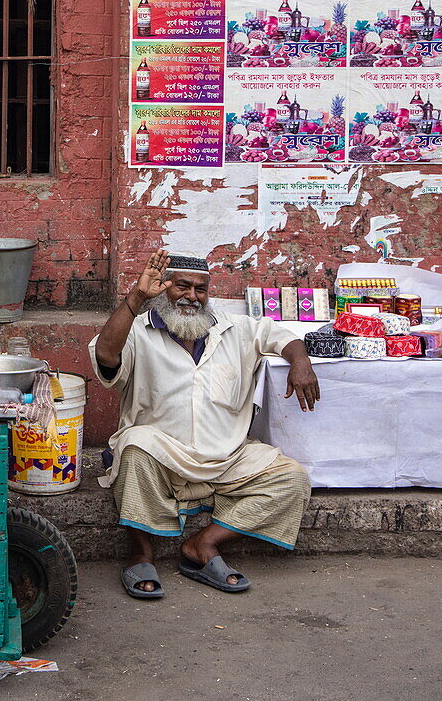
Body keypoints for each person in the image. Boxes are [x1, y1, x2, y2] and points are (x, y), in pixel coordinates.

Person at [89, 249, 320, 600]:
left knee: (292, 478)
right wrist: (136, 298)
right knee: (133, 446)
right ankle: (140, 553)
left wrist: (300, 361)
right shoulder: (137, 330)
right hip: (162, 455)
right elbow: (105, 354)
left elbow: (281, 336)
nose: (192, 297)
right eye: (182, 286)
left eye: (201, 289)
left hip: (227, 457)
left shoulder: (235, 328)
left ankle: (204, 544)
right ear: (163, 287)